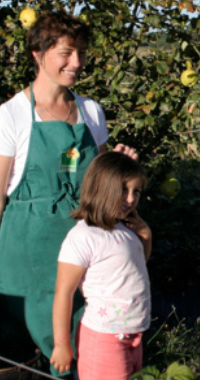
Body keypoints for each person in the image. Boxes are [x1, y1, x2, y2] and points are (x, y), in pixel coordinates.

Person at [0, 10, 137, 376]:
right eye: (66, 53)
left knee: (84, 351)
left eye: (82, 53)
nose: (77, 63)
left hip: (85, 255)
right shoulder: (9, 119)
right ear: (37, 55)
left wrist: (118, 168)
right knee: (26, 357)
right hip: (27, 260)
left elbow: (98, 188)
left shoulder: (90, 112)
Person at [50, 151, 152, 380]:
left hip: (133, 332)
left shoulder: (125, 230)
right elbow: (63, 293)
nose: (131, 199)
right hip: (104, 337)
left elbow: (137, 267)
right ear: (102, 188)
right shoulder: (84, 237)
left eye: (136, 192)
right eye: (124, 190)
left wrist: (145, 234)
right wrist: (61, 344)